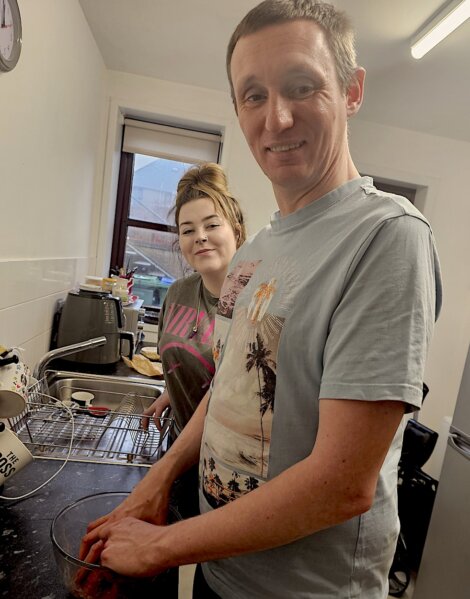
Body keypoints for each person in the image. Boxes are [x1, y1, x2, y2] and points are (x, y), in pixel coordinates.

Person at [80, 2, 442, 597]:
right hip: (223, 572)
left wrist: (162, 545)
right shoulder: (258, 251)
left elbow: (342, 484)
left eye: (302, 85)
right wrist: (161, 480)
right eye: (253, 96)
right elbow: (227, 389)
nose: (275, 118)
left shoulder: (386, 237)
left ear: (351, 91)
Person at [142, 161, 246, 519]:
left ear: (236, 229)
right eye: (188, 230)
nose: (199, 236)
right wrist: (173, 390)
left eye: (211, 225)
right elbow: (195, 358)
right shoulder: (179, 292)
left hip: (227, 466)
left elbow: (238, 391)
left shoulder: (253, 306)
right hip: (180, 445)